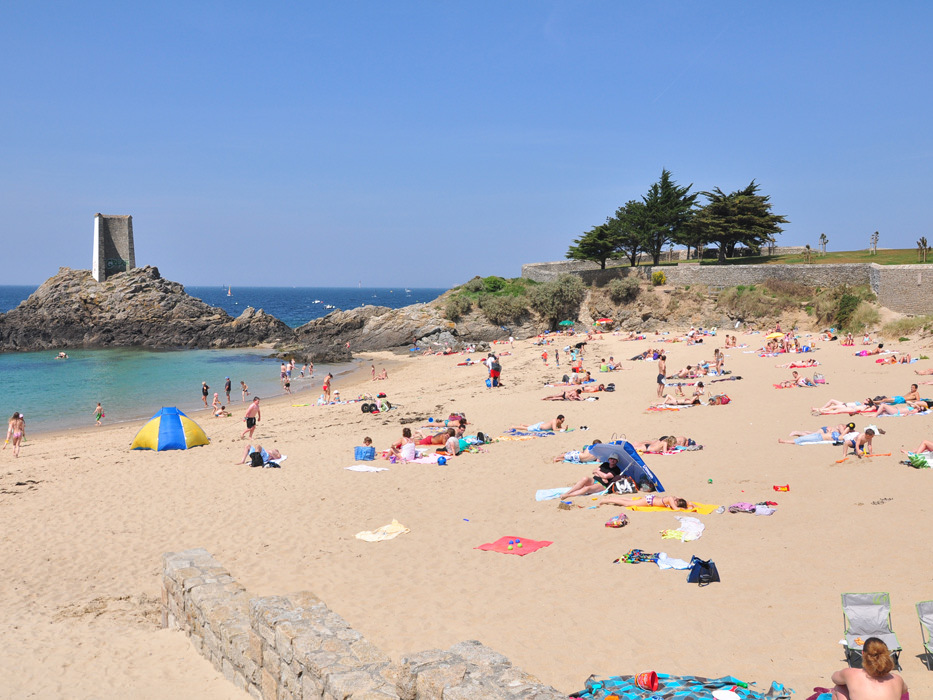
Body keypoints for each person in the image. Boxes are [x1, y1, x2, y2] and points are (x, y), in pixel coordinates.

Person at [829, 637, 906, 699]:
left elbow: (834, 678)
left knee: (839, 688)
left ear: (863, 653)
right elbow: (904, 691)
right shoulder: (897, 679)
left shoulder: (851, 674)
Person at [597, 493, 697, 511]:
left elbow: (687, 501)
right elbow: (676, 509)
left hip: (651, 499)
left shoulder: (675, 497)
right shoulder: (671, 500)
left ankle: (610, 499)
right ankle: (606, 500)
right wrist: (688, 508)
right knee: (628, 503)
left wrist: (691, 504)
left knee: (629, 500)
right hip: (649, 501)